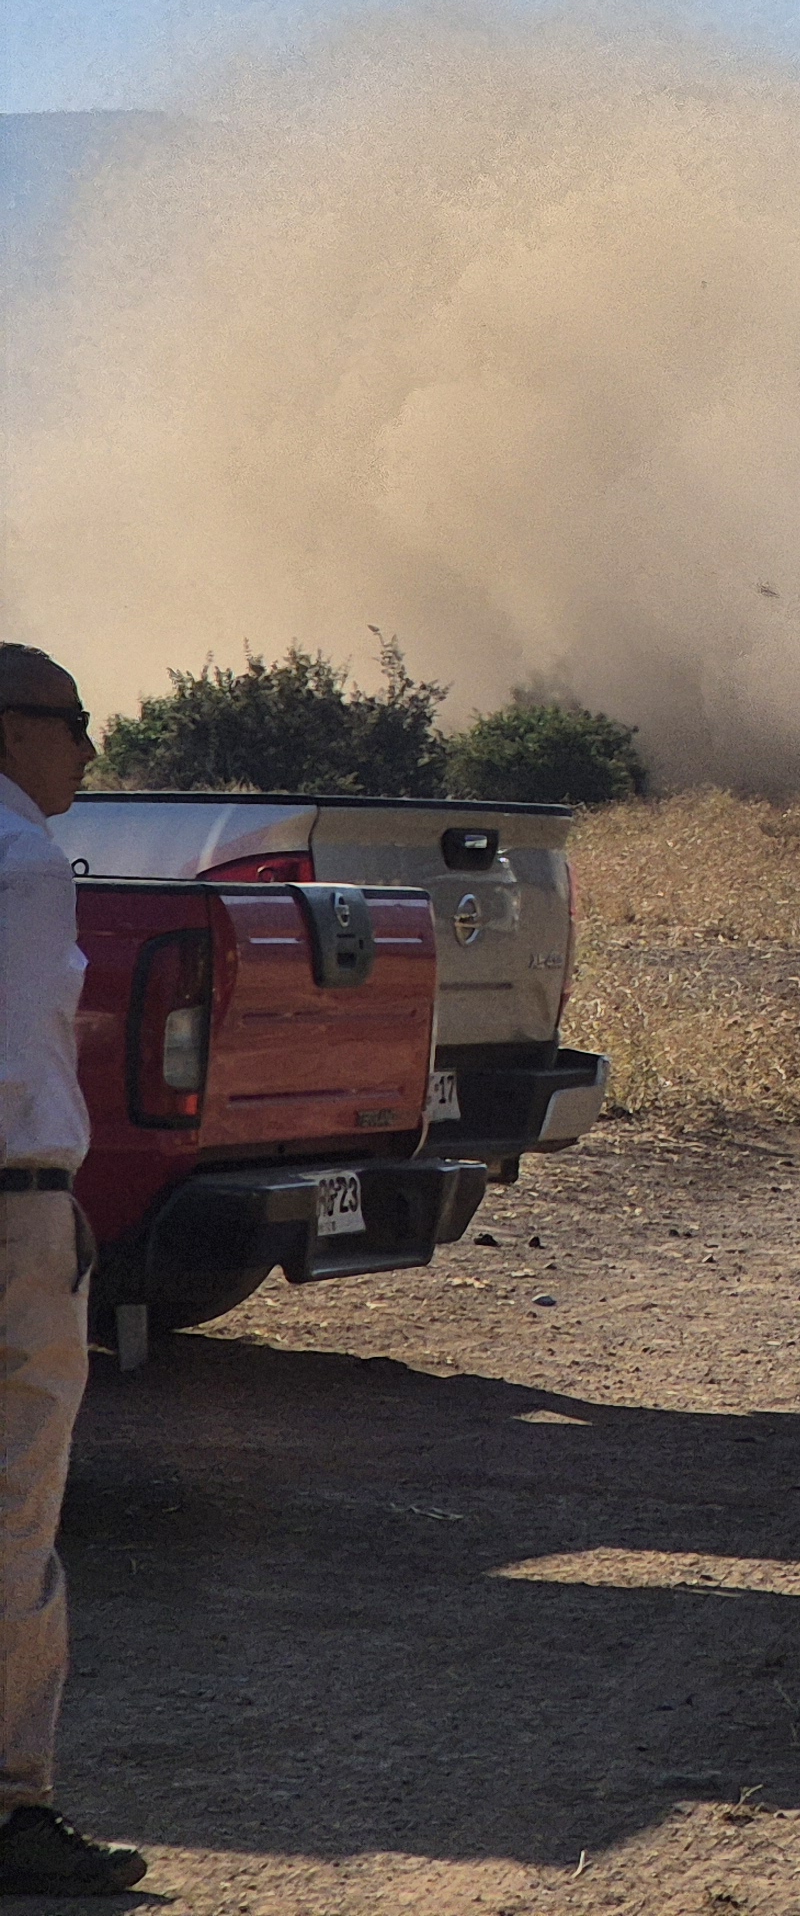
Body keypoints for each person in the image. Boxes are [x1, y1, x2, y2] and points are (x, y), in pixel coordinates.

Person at [0, 646, 140, 1896]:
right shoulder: (25, 862)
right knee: (13, 1511)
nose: (88, 748)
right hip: (9, 1216)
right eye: (71, 722)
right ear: (9, 730)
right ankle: (8, 1813)